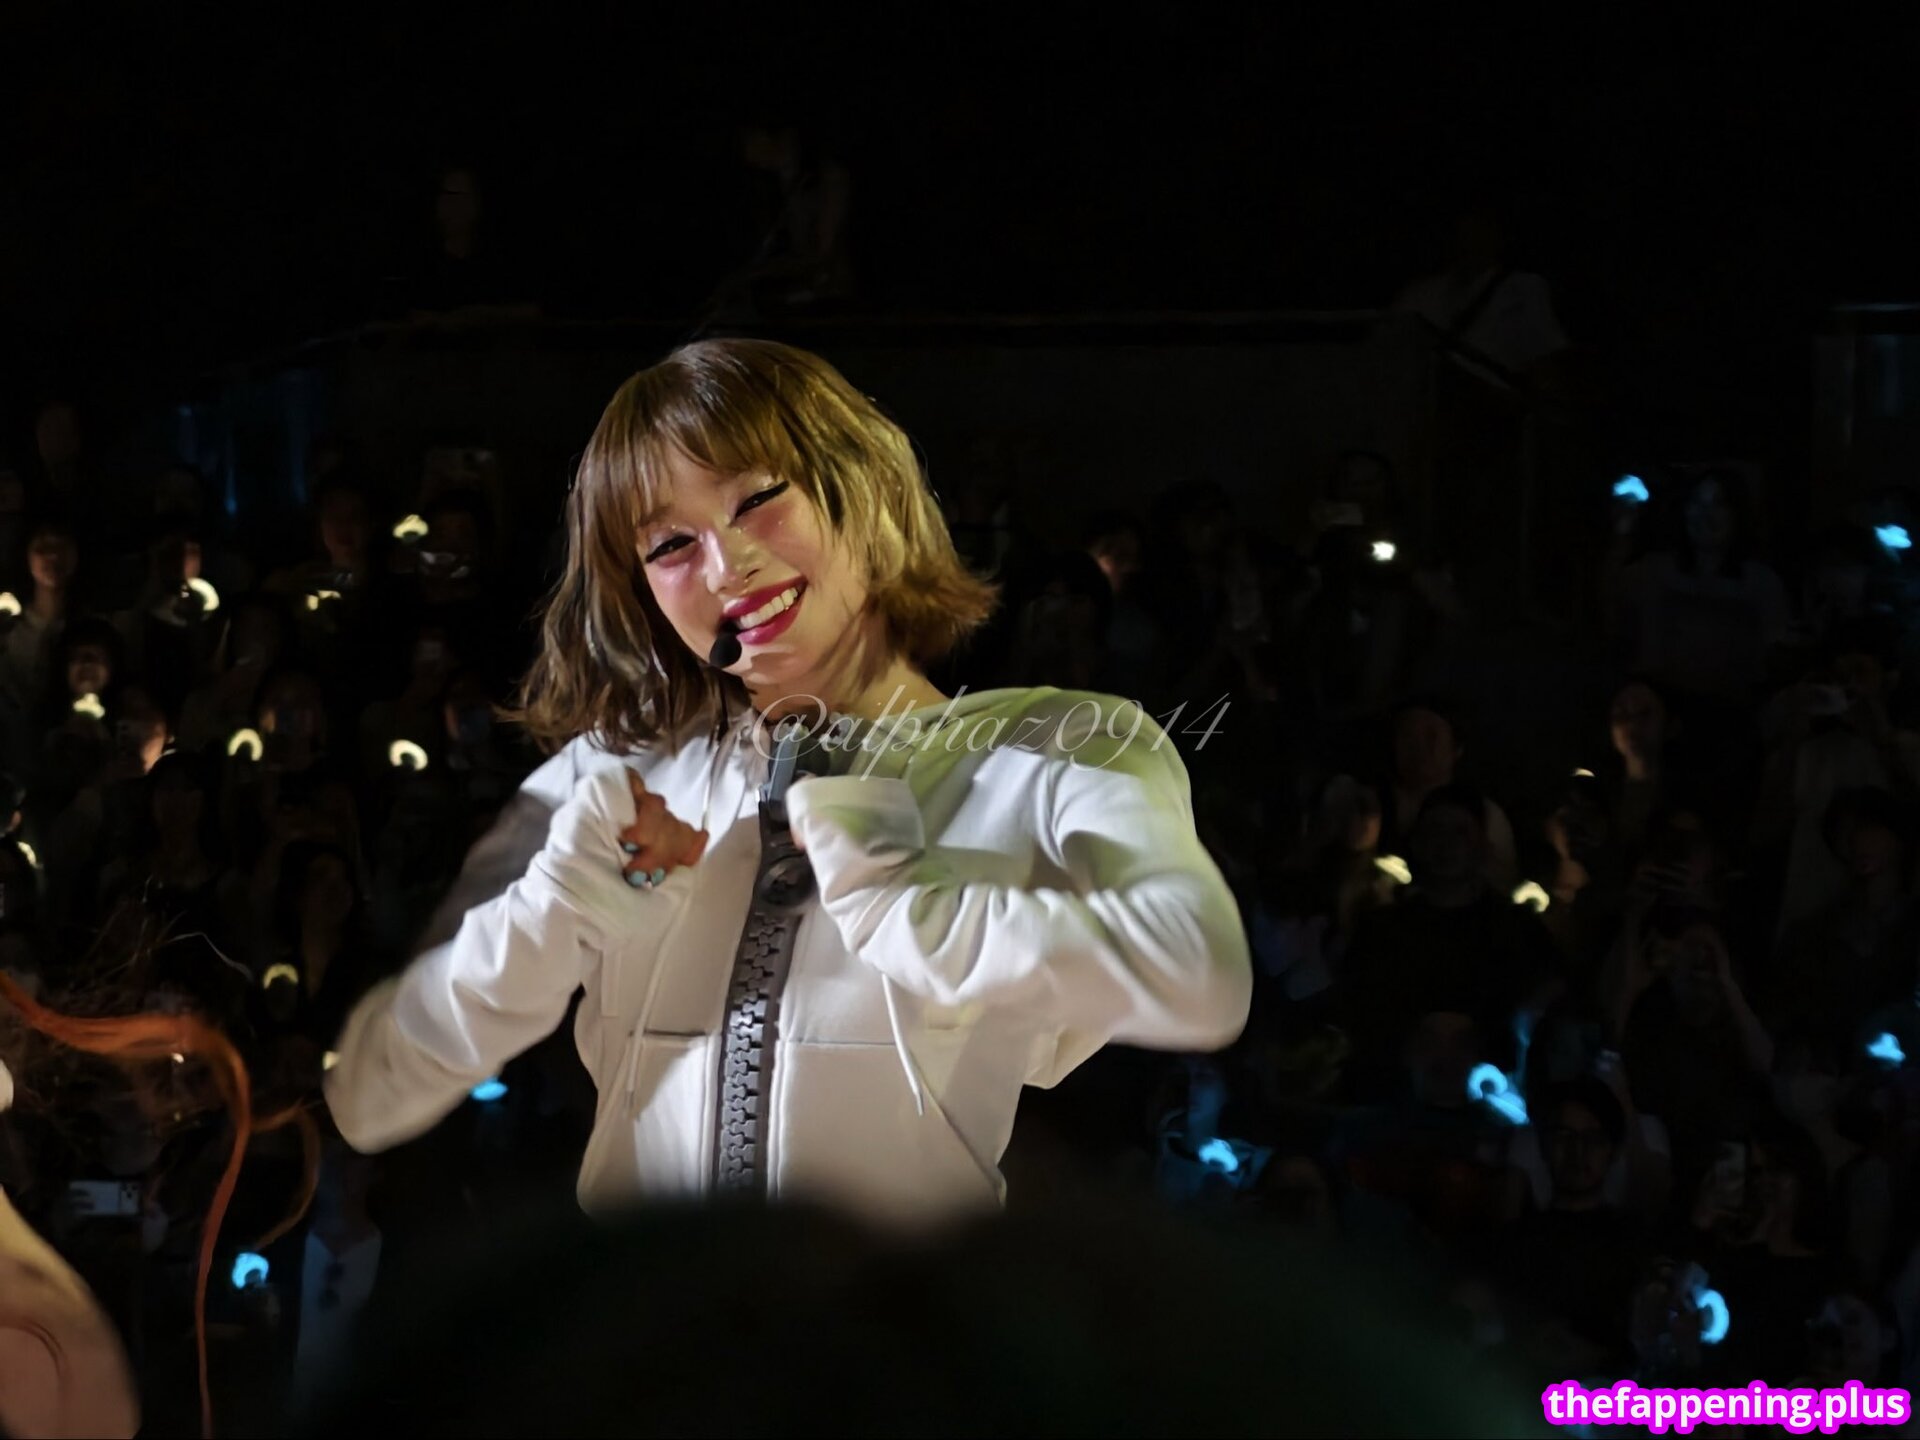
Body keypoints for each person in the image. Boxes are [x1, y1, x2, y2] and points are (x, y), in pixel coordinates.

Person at [324, 338, 1251, 1224]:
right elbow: (368, 1093)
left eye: (759, 498)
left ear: (862, 487)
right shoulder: (615, 772)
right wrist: (548, 917)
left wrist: (918, 912)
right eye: (670, 545)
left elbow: (1200, 974)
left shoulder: (1053, 751)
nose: (728, 566)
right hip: (643, 1330)